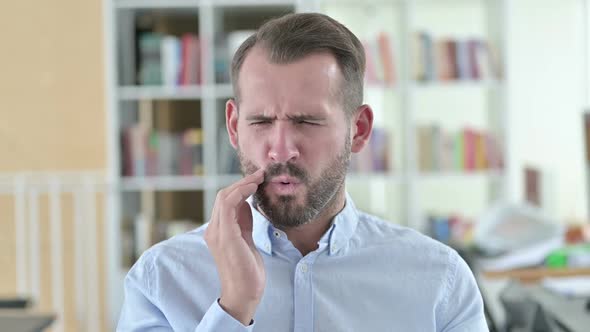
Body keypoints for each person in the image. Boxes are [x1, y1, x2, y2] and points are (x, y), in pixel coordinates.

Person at [117, 13, 488, 332]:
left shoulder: (440, 281)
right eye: (260, 121)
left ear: (358, 130)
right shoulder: (161, 279)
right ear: (233, 127)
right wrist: (233, 307)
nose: (280, 149)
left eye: (307, 121)